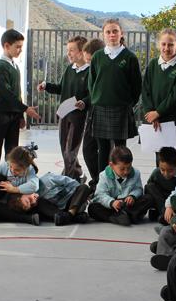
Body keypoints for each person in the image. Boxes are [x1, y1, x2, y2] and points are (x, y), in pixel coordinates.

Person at [89, 19, 142, 172]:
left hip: (121, 108)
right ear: (103, 34)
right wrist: (97, 99)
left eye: (115, 31)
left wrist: (127, 103)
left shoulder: (130, 57)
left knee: (120, 150)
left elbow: (136, 85)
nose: (112, 34)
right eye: (108, 32)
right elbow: (91, 83)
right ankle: (101, 184)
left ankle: (121, 181)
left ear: (121, 34)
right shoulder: (97, 57)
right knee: (103, 150)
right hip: (100, 108)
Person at [0, 29, 39, 168]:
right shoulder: (0, 67)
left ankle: (9, 181)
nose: (20, 50)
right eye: (17, 47)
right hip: (0, 115)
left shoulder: (15, 67)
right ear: (7, 46)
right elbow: (7, 93)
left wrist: (20, 115)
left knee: (12, 151)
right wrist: (26, 109)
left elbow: (17, 93)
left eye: (21, 47)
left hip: (13, 116)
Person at [39, 36, 90, 180]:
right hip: (64, 114)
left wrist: (84, 102)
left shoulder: (90, 71)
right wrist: (46, 86)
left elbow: (93, 94)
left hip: (79, 117)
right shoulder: (69, 69)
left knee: (70, 150)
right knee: (64, 149)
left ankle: (66, 180)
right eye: (68, 50)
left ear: (81, 52)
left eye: (72, 50)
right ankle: (78, 173)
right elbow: (61, 88)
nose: (68, 53)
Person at [141, 28, 176, 151]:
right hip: (155, 119)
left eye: (170, 45)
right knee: (160, 160)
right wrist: (151, 114)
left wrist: (158, 112)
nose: (166, 48)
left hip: (173, 119)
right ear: (159, 45)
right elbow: (145, 90)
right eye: (163, 44)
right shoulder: (153, 65)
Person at [88, 146, 153, 226]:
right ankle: (123, 216)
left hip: (128, 205)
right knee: (92, 208)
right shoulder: (104, 175)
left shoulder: (136, 173)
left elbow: (139, 189)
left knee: (148, 198)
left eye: (128, 168)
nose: (126, 172)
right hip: (112, 206)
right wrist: (111, 202)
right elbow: (100, 195)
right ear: (111, 165)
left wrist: (132, 196)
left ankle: (123, 215)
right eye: (122, 169)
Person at [2, 172, 93, 225]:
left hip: (72, 202)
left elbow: (73, 183)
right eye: (31, 205)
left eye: (29, 199)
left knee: (84, 188)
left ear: (24, 193)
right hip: (57, 212)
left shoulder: (47, 180)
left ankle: (70, 215)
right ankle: (73, 217)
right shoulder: (38, 204)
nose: (34, 201)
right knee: (40, 203)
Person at [79, 38, 105, 185]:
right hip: (92, 115)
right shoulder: (91, 71)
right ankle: (96, 180)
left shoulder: (105, 71)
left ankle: (104, 183)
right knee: (88, 150)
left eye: (90, 60)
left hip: (106, 116)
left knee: (105, 152)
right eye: (86, 60)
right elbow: (91, 93)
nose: (88, 64)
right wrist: (84, 102)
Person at [144, 146, 176, 223]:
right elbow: (148, 187)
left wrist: (169, 205)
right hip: (159, 198)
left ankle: (164, 215)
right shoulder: (156, 173)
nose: (166, 174)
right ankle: (164, 214)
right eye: (162, 170)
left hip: (172, 200)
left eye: (170, 171)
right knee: (150, 187)